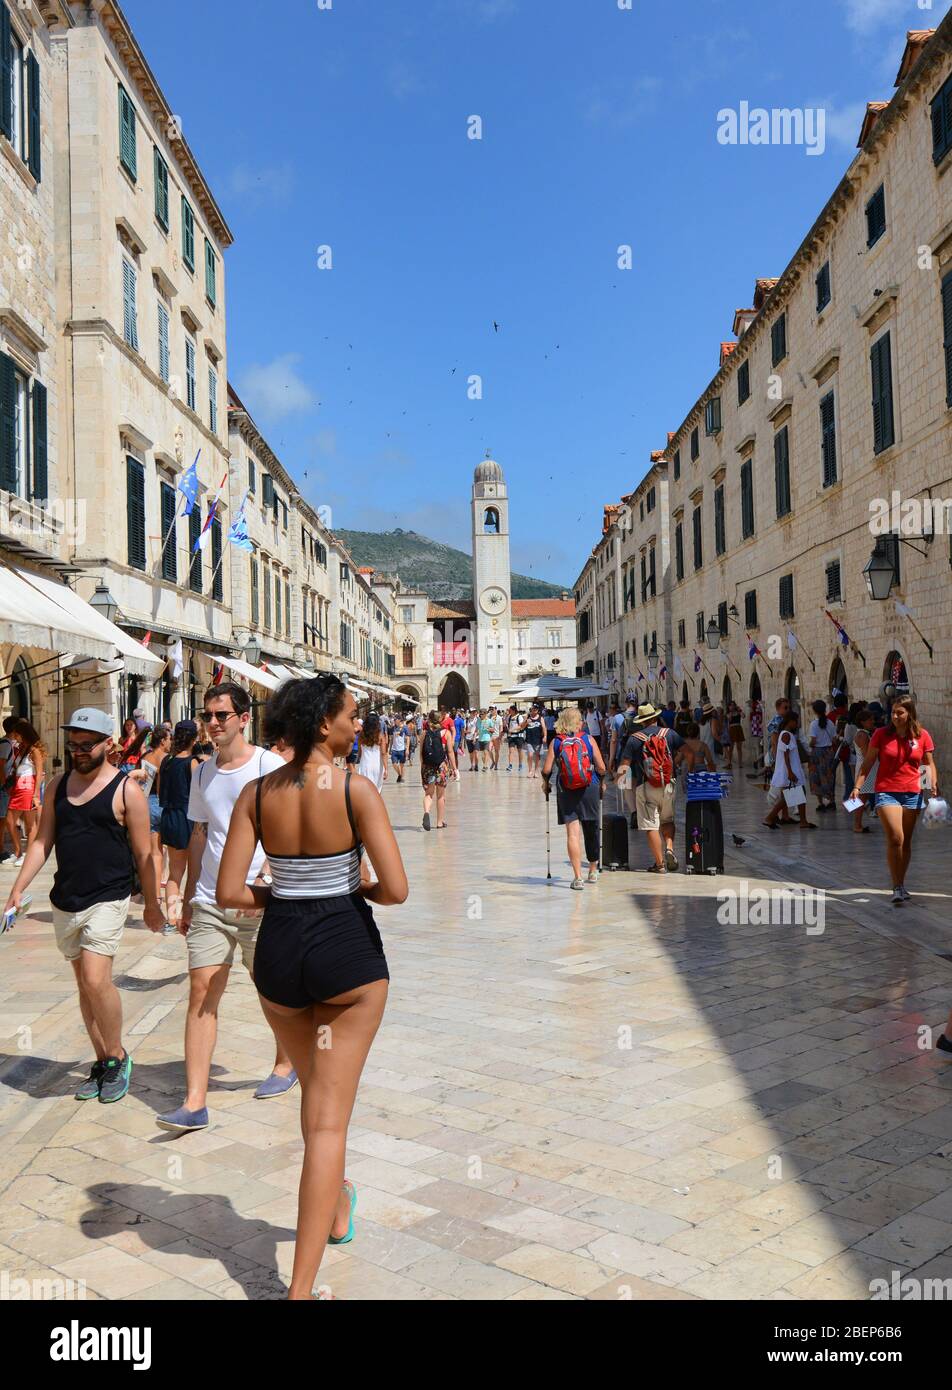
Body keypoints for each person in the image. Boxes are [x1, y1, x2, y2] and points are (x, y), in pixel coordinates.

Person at [217, 674, 407, 1300]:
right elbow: (397, 889)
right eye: (353, 715)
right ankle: (299, 1293)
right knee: (328, 1122)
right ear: (324, 722)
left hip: (280, 958)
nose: (360, 724)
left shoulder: (255, 792)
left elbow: (229, 894)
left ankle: (338, 1200)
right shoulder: (356, 789)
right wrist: (353, 888)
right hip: (346, 958)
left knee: (316, 1101)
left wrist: (284, 891)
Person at [3, 708, 162, 1103]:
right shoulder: (58, 785)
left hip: (108, 896)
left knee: (96, 979)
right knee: (84, 986)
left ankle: (118, 1056)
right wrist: (17, 888)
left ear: (108, 744)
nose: (78, 751)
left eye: (86, 745)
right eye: (72, 744)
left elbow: (145, 855)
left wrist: (153, 903)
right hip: (65, 898)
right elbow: (41, 842)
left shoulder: (128, 792)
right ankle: (102, 1060)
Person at [156, 683, 294, 1131]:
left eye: (221, 716)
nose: (212, 724)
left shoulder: (269, 766)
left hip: (258, 901)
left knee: (270, 991)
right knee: (201, 991)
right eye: (208, 716)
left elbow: (290, 829)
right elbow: (201, 836)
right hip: (212, 900)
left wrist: (270, 878)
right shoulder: (201, 773)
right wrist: (190, 893)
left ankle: (286, 1062)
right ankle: (195, 1102)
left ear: (242, 718)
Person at [852, 695, 936, 907]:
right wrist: (857, 787)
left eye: (900, 712)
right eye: (893, 712)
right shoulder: (881, 734)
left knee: (906, 841)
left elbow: (927, 764)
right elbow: (869, 762)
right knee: (896, 838)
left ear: (909, 713)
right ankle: (896, 885)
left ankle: (901, 883)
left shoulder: (922, 735)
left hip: (913, 793)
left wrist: (931, 786)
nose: (895, 716)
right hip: (886, 791)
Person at [615, 702, 684, 873]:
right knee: (667, 820)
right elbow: (687, 751)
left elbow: (625, 765)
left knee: (651, 826)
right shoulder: (670, 734)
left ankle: (660, 864)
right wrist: (675, 765)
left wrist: (619, 781)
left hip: (646, 786)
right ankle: (669, 847)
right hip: (668, 783)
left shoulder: (634, 739)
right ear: (655, 717)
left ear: (642, 721)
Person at [542, 708, 605, 890]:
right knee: (591, 828)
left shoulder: (557, 741)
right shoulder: (588, 739)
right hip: (589, 787)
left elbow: (546, 770)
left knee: (573, 834)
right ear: (579, 721)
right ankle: (592, 870)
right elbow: (601, 767)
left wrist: (545, 784)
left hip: (566, 789)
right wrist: (601, 780)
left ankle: (577, 878)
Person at [159, 721, 202, 927]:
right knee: (194, 872)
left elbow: (160, 792)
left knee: (174, 873)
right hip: (188, 818)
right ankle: (189, 917)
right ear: (194, 738)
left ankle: (171, 917)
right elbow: (199, 794)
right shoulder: (192, 763)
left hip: (169, 816)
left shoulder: (166, 761)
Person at [131, 725, 172, 904]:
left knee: (152, 852)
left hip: (145, 803)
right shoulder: (165, 758)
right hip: (160, 804)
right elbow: (163, 787)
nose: (171, 742)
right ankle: (159, 893)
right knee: (160, 853)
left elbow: (142, 785)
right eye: (169, 738)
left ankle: (153, 893)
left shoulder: (145, 757)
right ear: (163, 740)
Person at [764, 712, 816, 829]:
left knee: (798, 794)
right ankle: (770, 817)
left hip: (794, 769)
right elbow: (785, 755)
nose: (797, 724)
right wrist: (790, 772)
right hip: (791, 771)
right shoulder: (786, 735)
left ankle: (803, 821)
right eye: (796, 721)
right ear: (790, 721)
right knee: (790, 797)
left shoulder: (788, 734)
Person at [7, 719, 46, 864]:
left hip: (28, 787)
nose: (15, 737)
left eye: (17, 734)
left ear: (23, 734)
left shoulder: (34, 751)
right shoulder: (21, 749)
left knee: (29, 824)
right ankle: (18, 852)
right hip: (18, 787)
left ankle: (27, 855)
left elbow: (40, 772)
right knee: (11, 821)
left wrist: (36, 794)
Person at [421, 709, 456, 830]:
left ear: (429, 719)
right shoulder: (446, 733)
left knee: (428, 794)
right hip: (442, 766)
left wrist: (423, 767)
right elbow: (450, 752)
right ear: (440, 719)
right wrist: (455, 769)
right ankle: (440, 823)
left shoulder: (424, 733)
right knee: (440, 796)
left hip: (428, 766)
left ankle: (426, 812)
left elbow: (421, 753)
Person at [848, 707, 878, 834]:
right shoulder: (862, 735)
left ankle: (857, 822)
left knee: (861, 797)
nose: (872, 722)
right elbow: (867, 755)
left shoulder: (864, 734)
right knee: (861, 797)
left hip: (867, 769)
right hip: (866, 769)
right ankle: (857, 824)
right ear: (862, 722)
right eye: (870, 720)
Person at [808, 699, 838, 812]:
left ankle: (820, 802)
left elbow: (813, 741)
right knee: (829, 776)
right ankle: (832, 801)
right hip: (829, 753)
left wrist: (808, 745)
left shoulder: (813, 724)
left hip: (817, 753)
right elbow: (834, 739)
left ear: (815, 711)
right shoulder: (830, 723)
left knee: (816, 778)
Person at [356, 712, 387, 791]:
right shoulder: (380, 735)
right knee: (376, 791)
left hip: (364, 765)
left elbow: (360, 752)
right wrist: (386, 768)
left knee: (364, 791)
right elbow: (383, 753)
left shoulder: (361, 735)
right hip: (377, 766)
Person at [523, 704, 544, 777]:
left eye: (536, 709)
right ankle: (530, 771)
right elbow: (522, 727)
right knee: (530, 755)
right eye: (533, 709)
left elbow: (544, 728)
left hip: (538, 740)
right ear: (531, 709)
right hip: (529, 740)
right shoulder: (527, 717)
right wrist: (526, 722)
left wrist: (545, 737)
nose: (535, 710)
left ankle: (536, 771)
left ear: (538, 710)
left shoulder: (541, 718)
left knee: (537, 756)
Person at [505, 705, 526, 772]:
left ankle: (520, 765)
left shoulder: (519, 717)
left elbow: (521, 726)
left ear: (514, 710)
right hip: (511, 736)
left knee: (520, 751)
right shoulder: (509, 717)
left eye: (510, 710)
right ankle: (510, 765)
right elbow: (508, 725)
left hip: (519, 736)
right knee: (511, 751)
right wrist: (508, 731)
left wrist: (513, 729)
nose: (509, 711)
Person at [725, 701, 745, 769]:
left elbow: (743, 716)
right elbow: (729, 719)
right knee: (731, 748)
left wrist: (740, 710)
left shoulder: (738, 712)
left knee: (739, 748)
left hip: (738, 729)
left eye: (733, 705)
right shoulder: (728, 713)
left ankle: (740, 763)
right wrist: (731, 712)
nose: (732, 707)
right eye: (730, 705)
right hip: (732, 730)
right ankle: (729, 763)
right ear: (728, 706)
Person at [389, 717, 408, 783]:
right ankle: (400, 775)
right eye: (395, 721)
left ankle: (401, 777)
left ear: (400, 721)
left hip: (402, 749)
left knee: (401, 765)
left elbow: (408, 738)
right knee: (394, 764)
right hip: (394, 749)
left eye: (397, 721)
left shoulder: (404, 728)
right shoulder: (392, 728)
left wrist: (407, 749)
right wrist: (390, 748)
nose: (396, 722)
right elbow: (391, 739)